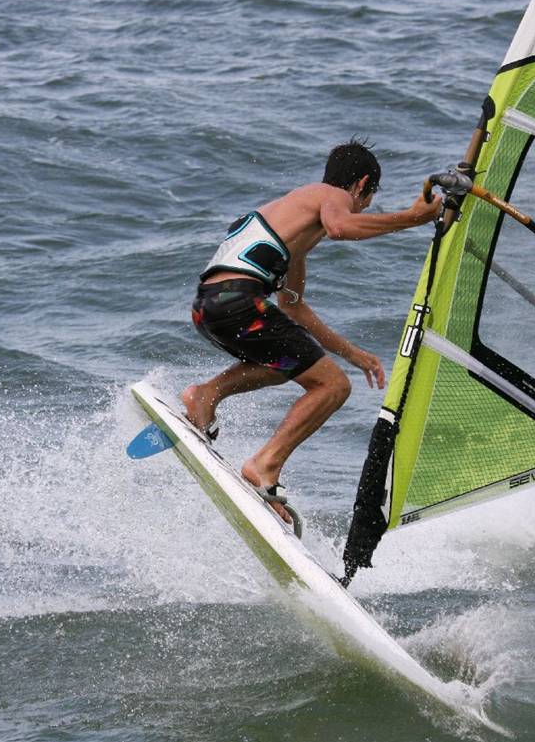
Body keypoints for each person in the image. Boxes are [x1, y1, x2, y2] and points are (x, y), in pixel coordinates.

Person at [182, 139, 442, 523]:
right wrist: (411, 218)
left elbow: (293, 307)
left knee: (283, 364)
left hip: (209, 306)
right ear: (362, 185)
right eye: (368, 198)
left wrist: (353, 354)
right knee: (333, 387)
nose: (362, 207)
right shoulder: (329, 194)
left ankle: (205, 395)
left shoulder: (292, 227)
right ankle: (265, 465)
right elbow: (340, 226)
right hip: (239, 301)